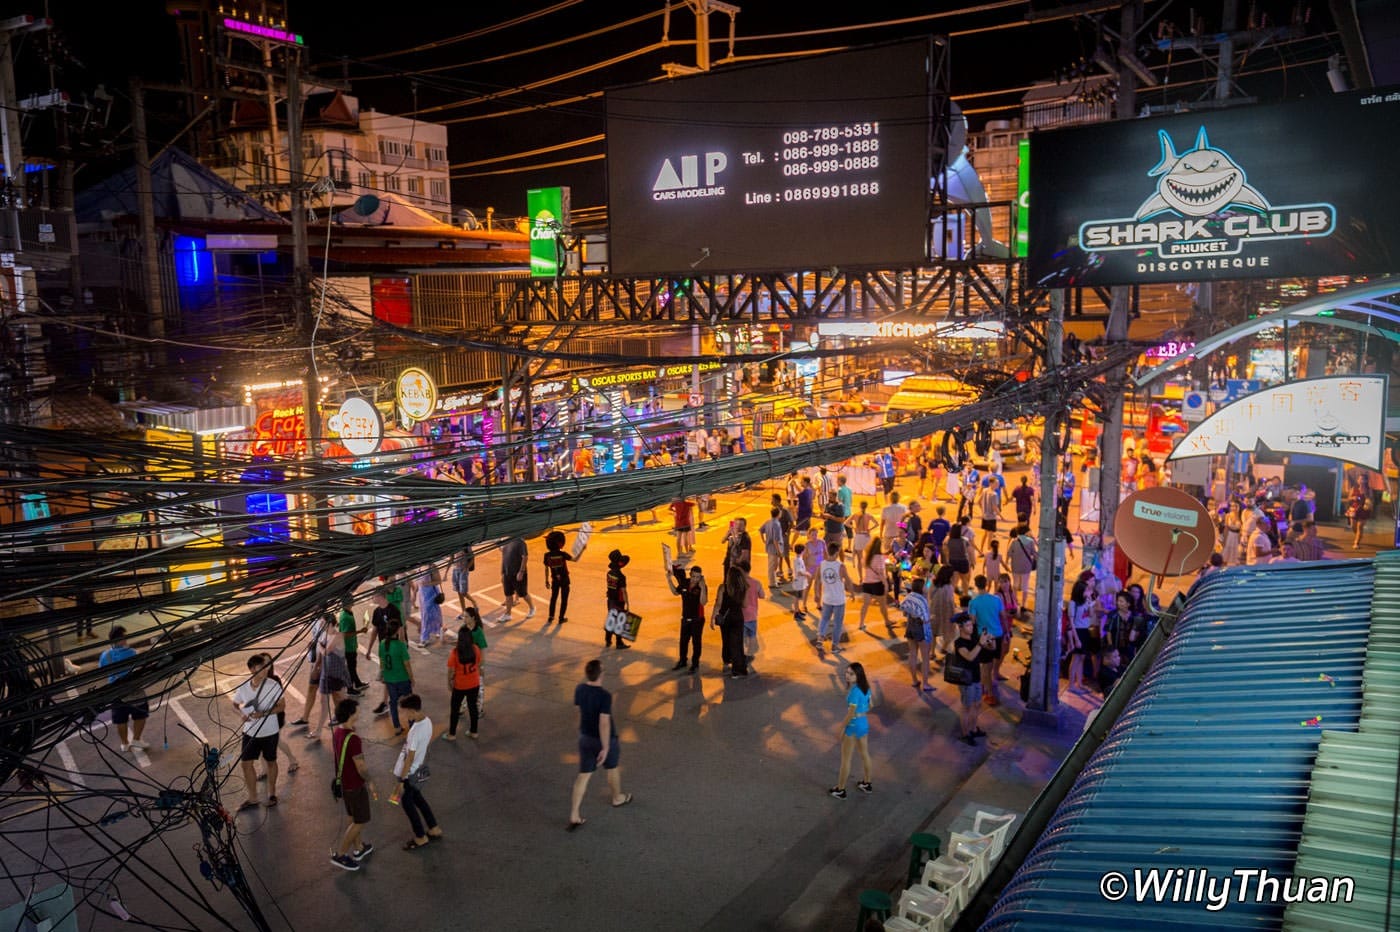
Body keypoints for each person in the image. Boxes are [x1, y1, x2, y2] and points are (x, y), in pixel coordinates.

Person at [568, 659, 631, 830]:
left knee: (583, 775)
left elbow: (577, 712)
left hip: (585, 737)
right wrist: (605, 747)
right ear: (601, 675)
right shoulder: (604, 696)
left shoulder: (579, 689)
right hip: (603, 739)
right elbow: (604, 722)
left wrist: (580, 731)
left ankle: (574, 813)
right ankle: (617, 797)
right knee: (612, 768)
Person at [234, 653, 285, 810]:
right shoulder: (243, 687)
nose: (265, 670)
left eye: (265, 667)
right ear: (252, 669)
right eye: (261, 667)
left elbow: (281, 706)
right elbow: (235, 704)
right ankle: (253, 797)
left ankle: (272, 793)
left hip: (270, 732)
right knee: (245, 764)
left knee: (271, 762)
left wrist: (263, 713)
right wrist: (241, 714)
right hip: (250, 732)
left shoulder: (273, 685)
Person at [330, 698, 376, 871]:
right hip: (355, 785)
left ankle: (359, 848)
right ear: (351, 714)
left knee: (354, 817)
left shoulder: (338, 732)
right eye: (357, 710)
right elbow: (361, 766)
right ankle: (340, 855)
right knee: (361, 820)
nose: (359, 711)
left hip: (344, 784)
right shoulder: (353, 738)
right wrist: (370, 781)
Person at [393, 694, 442, 850]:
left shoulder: (415, 731)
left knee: (408, 804)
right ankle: (434, 828)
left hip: (410, 773)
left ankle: (420, 837)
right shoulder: (427, 722)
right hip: (419, 769)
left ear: (412, 711)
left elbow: (409, 757)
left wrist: (402, 780)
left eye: (405, 712)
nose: (404, 715)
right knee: (419, 800)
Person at [99, 626, 151, 753]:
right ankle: (137, 739)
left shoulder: (105, 655)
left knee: (120, 720)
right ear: (121, 639)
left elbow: (101, 669)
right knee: (140, 715)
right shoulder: (132, 653)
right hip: (134, 691)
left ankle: (124, 743)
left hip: (116, 693)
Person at [828, 662, 875, 798]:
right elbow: (870, 705)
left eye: (851, 674)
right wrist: (862, 712)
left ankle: (840, 789)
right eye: (847, 673)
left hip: (853, 726)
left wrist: (841, 728)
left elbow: (850, 713)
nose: (847, 676)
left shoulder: (854, 692)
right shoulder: (866, 688)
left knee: (846, 760)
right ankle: (867, 783)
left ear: (858, 675)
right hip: (864, 723)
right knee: (865, 754)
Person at [951, 613, 992, 745]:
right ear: (960, 628)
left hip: (976, 677)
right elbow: (969, 656)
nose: (971, 628)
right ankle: (965, 733)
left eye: (971, 624)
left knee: (977, 704)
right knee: (967, 707)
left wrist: (989, 641)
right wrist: (980, 644)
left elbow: (992, 648)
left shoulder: (975, 638)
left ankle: (973, 729)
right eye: (968, 625)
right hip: (966, 680)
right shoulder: (959, 643)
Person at [968, 575, 1009, 706]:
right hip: (998, 635)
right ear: (986, 584)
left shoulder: (973, 602)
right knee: (991, 664)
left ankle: (989, 693)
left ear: (976, 585)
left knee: (985, 666)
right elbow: (1003, 617)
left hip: (985, 638)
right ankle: (985, 685)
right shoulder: (996, 599)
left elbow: (972, 621)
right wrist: (1007, 632)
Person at [309, 616, 350, 740]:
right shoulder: (324, 635)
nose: (320, 625)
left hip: (336, 673)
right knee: (323, 702)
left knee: (342, 699)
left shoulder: (338, 636)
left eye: (322, 622)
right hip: (326, 673)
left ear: (330, 623)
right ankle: (318, 730)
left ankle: (348, 724)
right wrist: (316, 668)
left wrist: (318, 645)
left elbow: (326, 651)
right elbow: (321, 655)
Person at [813, 542, 855, 653]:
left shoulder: (821, 565)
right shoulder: (840, 566)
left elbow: (817, 581)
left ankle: (820, 639)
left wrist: (816, 594)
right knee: (838, 623)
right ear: (837, 552)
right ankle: (835, 646)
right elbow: (848, 580)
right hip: (839, 600)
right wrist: (852, 593)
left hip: (827, 599)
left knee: (824, 619)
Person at [667, 563, 708, 673]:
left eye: (698, 577)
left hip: (697, 619)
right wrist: (669, 580)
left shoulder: (701, 587)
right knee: (683, 641)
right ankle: (682, 660)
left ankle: (695, 663)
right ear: (690, 575)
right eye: (694, 576)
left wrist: (703, 587)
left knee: (696, 642)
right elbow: (676, 592)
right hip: (685, 617)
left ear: (701, 577)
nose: (695, 579)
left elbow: (703, 602)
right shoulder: (685, 583)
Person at [444, 625, 482, 740]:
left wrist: (449, 683)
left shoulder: (455, 653)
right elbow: (479, 664)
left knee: (455, 709)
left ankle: (452, 734)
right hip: (474, 683)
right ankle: (474, 731)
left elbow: (451, 671)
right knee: (473, 707)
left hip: (460, 685)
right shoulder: (475, 649)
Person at [712, 565, 750, 677]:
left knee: (726, 639)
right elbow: (745, 605)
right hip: (737, 617)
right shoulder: (744, 588)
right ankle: (737, 669)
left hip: (725, 618)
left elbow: (718, 604)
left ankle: (726, 658)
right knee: (737, 643)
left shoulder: (723, 588)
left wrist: (713, 617)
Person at [378, 619, 414, 736]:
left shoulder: (383, 644)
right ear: (397, 630)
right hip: (402, 678)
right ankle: (412, 725)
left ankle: (397, 727)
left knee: (393, 702)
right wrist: (412, 678)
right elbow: (407, 664)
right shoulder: (400, 645)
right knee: (409, 702)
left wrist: (383, 674)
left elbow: (382, 662)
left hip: (390, 679)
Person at [1066, 573, 1098, 693]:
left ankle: (1079, 682)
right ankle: (1071, 685)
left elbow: (1090, 614)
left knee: (1082, 658)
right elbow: (1071, 623)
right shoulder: (1073, 603)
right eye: (1085, 591)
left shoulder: (1085, 601)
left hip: (1085, 630)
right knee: (1076, 658)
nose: (1087, 593)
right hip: (1077, 631)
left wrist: (1089, 603)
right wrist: (1076, 639)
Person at [900, 577, 933, 691]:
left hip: (910, 626)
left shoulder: (908, 597)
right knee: (925, 657)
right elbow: (925, 619)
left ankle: (914, 680)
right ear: (921, 588)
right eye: (925, 586)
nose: (926, 587)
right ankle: (925, 684)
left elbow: (904, 612)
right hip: (921, 627)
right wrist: (932, 618)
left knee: (913, 654)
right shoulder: (922, 601)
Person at [542, 530, 576, 625]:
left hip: (554, 580)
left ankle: (551, 616)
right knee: (564, 599)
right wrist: (581, 549)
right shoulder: (563, 554)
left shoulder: (547, 555)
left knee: (553, 598)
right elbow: (575, 559)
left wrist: (546, 581)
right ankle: (561, 618)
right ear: (560, 543)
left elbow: (546, 569)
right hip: (565, 579)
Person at [857, 537, 891, 632]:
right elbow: (880, 573)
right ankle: (887, 621)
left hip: (866, 583)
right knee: (883, 605)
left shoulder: (866, 557)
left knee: (865, 605)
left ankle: (861, 623)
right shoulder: (880, 558)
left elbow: (863, 565)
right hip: (877, 584)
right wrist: (886, 584)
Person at [338, 594, 369, 694]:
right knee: (351, 668)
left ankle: (358, 683)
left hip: (351, 645)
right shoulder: (345, 617)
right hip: (348, 647)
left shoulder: (347, 613)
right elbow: (345, 634)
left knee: (352, 667)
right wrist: (360, 631)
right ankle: (350, 689)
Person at [604, 549, 633, 650]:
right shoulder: (621, 576)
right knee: (619, 622)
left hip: (610, 600)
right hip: (619, 601)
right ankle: (619, 642)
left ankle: (608, 639)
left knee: (611, 619)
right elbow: (624, 591)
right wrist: (628, 604)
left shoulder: (609, 573)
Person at [500, 536, 534, 618]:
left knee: (523, 594)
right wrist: (502, 571)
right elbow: (504, 557)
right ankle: (508, 614)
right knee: (508, 594)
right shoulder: (505, 541)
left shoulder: (520, 542)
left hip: (517, 573)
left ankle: (532, 608)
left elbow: (525, 557)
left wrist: (521, 572)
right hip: (507, 573)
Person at [413, 566, 445, 650]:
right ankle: (438, 628)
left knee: (426, 616)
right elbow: (417, 582)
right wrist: (414, 594)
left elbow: (438, 580)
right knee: (432, 613)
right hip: (422, 596)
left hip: (431, 595)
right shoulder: (419, 568)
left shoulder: (432, 567)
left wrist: (427, 584)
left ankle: (424, 638)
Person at [1008, 525, 1037, 612]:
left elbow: (1009, 554)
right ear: (1025, 532)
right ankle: (1023, 605)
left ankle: (1015, 603)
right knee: (1025, 585)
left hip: (1015, 566)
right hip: (1026, 567)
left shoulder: (1014, 542)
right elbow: (1034, 554)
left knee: (1015, 585)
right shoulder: (1030, 541)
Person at [759, 507, 787, 591]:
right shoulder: (776, 524)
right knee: (773, 566)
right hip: (775, 548)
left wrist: (763, 540)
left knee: (773, 565)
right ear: (778, 514)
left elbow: (761, 530)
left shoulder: (768, 522)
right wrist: (779, 551)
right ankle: (772, 583)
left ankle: (773, 581)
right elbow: (776, 540)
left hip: (769, 547)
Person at [944, 524, 975, 595]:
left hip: (953, 561)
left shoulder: (947, 540)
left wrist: (947, 560)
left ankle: (951, 597)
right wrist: (972, 562)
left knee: (954, 581)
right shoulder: (964, 540)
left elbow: (945, 550)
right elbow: (970, 551)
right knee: (964, 580)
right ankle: (966, 595)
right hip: (963, 562)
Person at [771, 492, 795, 578]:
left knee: (785, 554)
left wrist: (787, 532)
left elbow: (791, 522)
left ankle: (789, 568)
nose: (771, 502)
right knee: (779, 554)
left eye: (773, 500)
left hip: (784, 536)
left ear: (777, 501)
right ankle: (780, 570)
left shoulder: (784, 511)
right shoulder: (774, 510)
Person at [450, 547, 478, 621]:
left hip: (463, 571)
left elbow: (472, 558)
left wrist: (466, 568)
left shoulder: (466, 546)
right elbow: (451, 557)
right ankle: (463, 611)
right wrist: (446, 572)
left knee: (463, 592)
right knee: (459, 592)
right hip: (455, 570)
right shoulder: (454, 544)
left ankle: (474, 602)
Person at [850, 500, 876, 571]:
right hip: (866, 536)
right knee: (868, 557)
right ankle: (868, 575)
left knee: (859, 559)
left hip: (858, 536)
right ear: (866, 507)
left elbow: (846, 523)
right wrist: (869, 529)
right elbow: (876, 524)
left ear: (860, 506)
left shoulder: (855, 515)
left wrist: (854, 527)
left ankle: (861, 577)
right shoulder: (868, 515)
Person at [1348, 478, 1373, 549]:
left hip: (1364, 509)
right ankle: (1359, 535)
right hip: (1354, 509)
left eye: (1363, 479)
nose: (1361, 481)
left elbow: (1371, 499)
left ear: (1366, 481)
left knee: (1360, 527)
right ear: (1357, 480)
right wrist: (1353, 498)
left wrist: (1366, 496)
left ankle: (1356, 543)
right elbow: (1349, 498)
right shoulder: (1354, 488)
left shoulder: (1368, 490)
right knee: (1353, 526)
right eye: (1359, 479)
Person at [976, 478, 1000, 551]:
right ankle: (989, 551)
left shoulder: (985, 490)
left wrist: (983, 511)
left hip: (985, 516)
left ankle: (981, 549)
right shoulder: (994, 494)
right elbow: (995, 507)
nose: (997, 485)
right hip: (991, 517)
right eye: (996, 483)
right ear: (991, 483)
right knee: (990, 535)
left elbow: (978, 502)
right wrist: (1001, 516)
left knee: (985, 533)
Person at [821, 493, 847, 559]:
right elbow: (825, 516)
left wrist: (830, 516)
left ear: (835, 497)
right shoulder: (827, 505)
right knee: (826, 548)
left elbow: (842, 519)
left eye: (831, 497)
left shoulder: (840, 506)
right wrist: (823, 516)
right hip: (828, 530)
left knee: (839, 548)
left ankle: (841, 563)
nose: (829, 499)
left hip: (837, 531)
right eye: (829, 497)